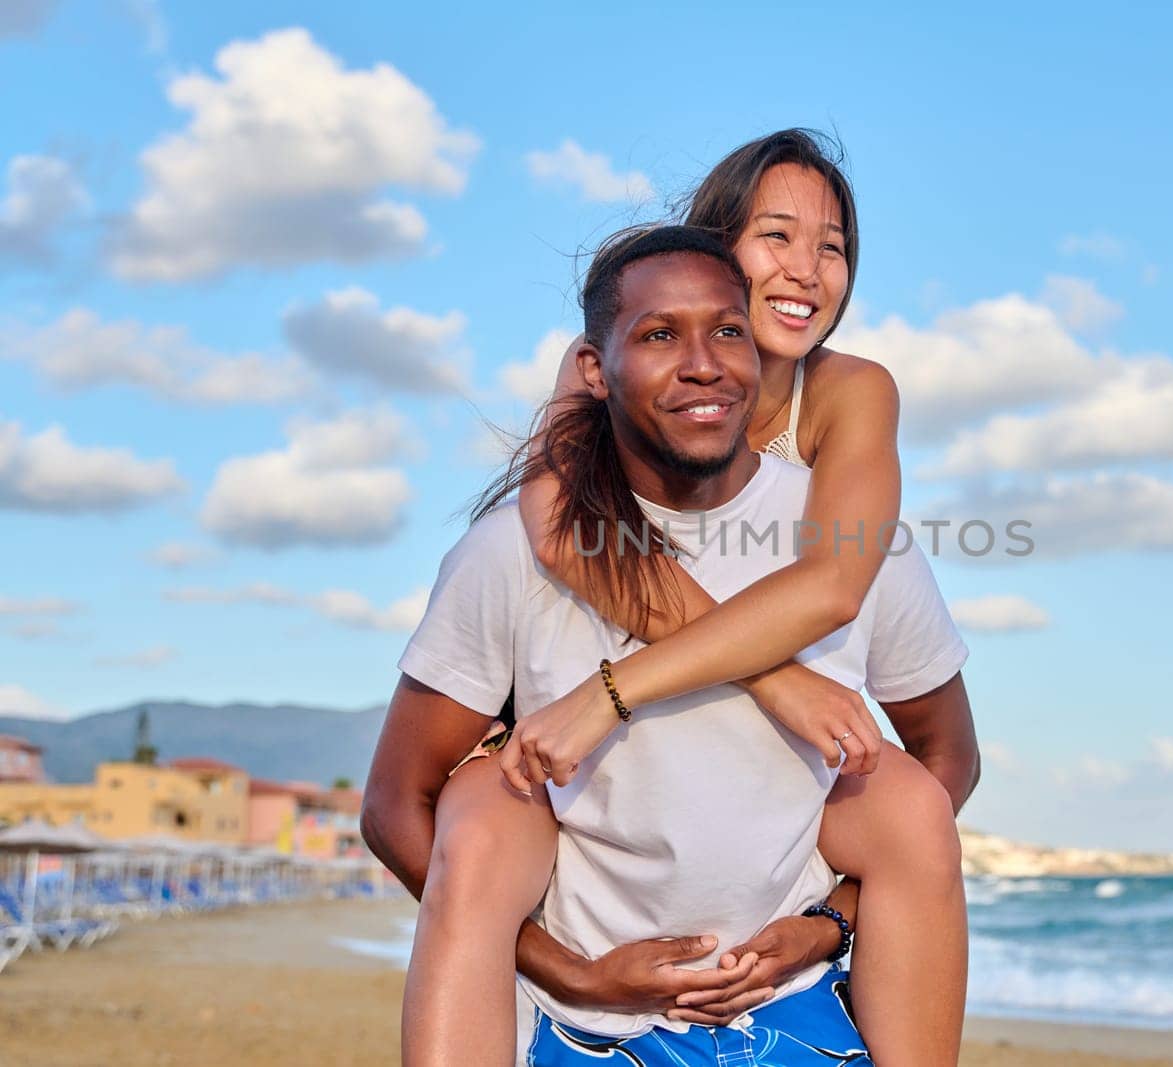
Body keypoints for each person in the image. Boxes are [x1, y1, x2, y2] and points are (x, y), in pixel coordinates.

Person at [362, 225, 977, 1066]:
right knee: (479, 808)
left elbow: (946, 761)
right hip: (580, 1024)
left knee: (904, 797)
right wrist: (573, 973)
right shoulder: (515, 551)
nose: (703, 363)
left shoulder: (854, 542)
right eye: (659, 335)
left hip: (793, 1004)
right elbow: (398, 802)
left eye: (728, 330)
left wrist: (828, 923)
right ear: (593, 369)